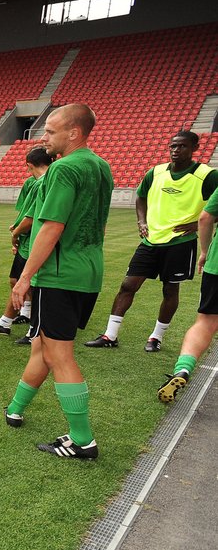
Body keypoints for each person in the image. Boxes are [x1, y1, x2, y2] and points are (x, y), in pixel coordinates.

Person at [3, 103, 113, 459]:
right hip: (88, 270)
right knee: (44, 345)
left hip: (60, 274)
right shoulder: (101, 166)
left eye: (50, 131)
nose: (43, 136)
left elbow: (51, 226)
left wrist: (24, 277)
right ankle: (15, 408)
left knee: (60, 353)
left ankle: (82, 440)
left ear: (73, 133)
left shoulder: (63, 169)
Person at [84, 131, 218, 352]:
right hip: (150, 241)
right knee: (128, 285)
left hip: (180, 243)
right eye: (173, 146)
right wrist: (141, 221)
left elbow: (214, 209)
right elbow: (141, 196)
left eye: (182, 146)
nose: (176, 151)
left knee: (169, 290)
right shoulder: (155, 172)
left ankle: (156, 337)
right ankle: (110, 335)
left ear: (195, 147)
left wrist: (197, 225)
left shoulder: (207, 175)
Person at [0, 146, 55, 343]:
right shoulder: (45, 181)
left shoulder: (41, 184)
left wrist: (16, 233)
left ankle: (31, 330)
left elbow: (31, 218)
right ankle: (14, 321)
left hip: (33, 243)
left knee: (30, 284)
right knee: (17, 281)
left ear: (29, 165)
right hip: (31, 241)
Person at [160, 189, 218, 402]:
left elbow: (205, 217)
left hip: (217, 264)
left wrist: (204, 251)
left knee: (206, 322)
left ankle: (182, 370)